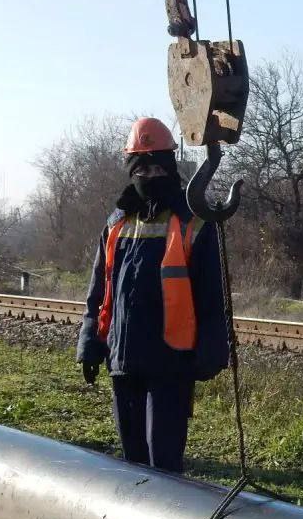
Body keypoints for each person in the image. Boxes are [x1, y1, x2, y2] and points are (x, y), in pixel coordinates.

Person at [76, 117, 229, 472]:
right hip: (123, 362)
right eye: (142, 167)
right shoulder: (117, 224)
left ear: (172, 166)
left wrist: (211, 351)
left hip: (171, 364)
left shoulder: (193, 223)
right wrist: (90, 344)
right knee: (131, 465)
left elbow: (211, 298)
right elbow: (99, 291)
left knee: (163, 466)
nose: (151, 175)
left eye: (159, 166)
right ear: (131, 169)